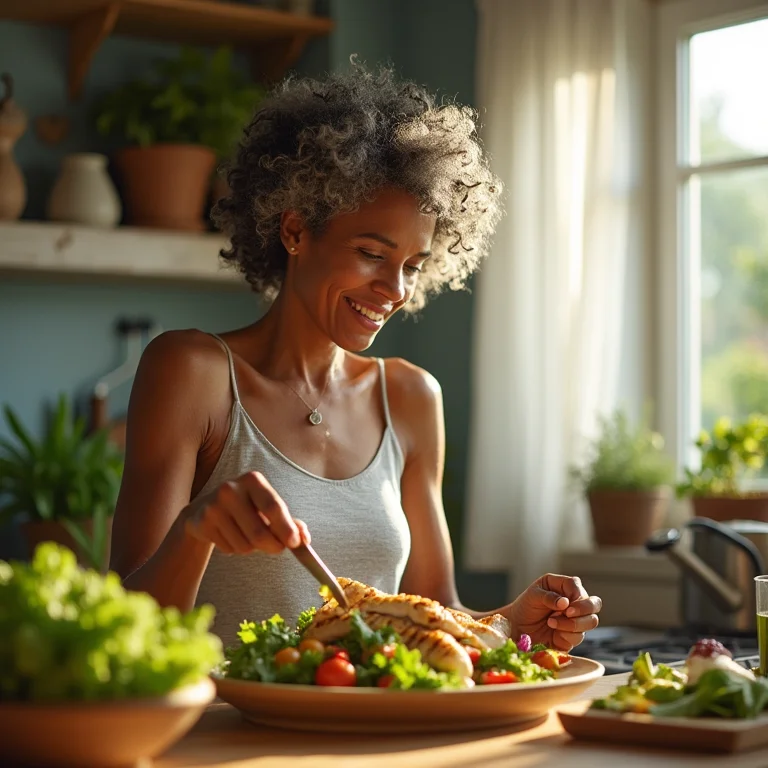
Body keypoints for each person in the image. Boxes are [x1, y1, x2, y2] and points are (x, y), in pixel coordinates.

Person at [109, 63, 602, 650]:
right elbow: (126, 622)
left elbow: (437, 612)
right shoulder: (194, 372)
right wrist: (196, 531)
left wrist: (509, 624)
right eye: (372, 252)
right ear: (294, 230)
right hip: (227, 730)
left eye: (413, 266)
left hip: (374, 730)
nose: (396, 290)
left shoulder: (412, 397)